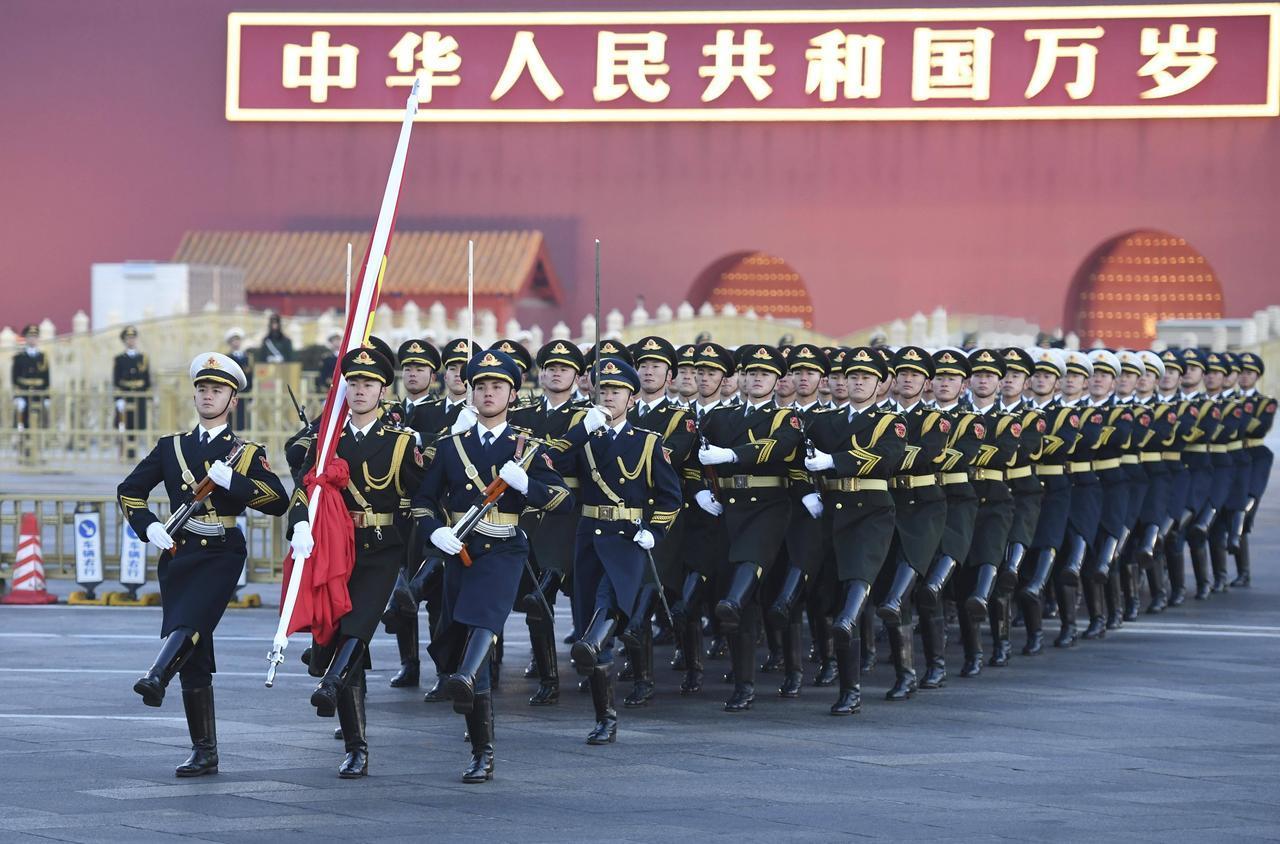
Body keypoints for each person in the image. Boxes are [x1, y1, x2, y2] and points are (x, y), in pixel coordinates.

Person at [118, 352, 287, 777]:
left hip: (221, 552)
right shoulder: (171, 446)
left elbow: (277, 501)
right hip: (180, 552)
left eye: (217, 390)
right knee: (194, 649)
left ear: (233, 400)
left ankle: (157, 674)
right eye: (202, 389)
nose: (208, 396)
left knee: (190, 621)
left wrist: (237, 483)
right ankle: (204, 750)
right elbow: (129, 490)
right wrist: (148, 525)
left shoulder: (245, 453)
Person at [412, 349, 574, 783]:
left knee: (483, 621)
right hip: (460, 551)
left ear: (512, 395)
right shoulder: (451, 447)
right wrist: (434, 531)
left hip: (505, 549)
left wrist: (528, 485)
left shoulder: (527, 448)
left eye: (497, 387)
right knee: (460, 635)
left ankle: (478, 735)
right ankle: (477, 730)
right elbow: (422, 501)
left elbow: (563, 500)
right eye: (480, 386)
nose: (488, 393)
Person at [287, 344, 426, 778]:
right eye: (354, 383)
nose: (360, 390)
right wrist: (299, 524)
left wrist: (417, 562)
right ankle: (356, 746)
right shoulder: (327, 440)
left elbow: (421, 499)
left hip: (381, 550)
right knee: (337, 636)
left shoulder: (401, 443)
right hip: (334, 549)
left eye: (369, 383)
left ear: (383, 391)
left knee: (357, 625)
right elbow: (303, 488)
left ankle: (331, 683)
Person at [554, 357, 681, 743]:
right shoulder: (583, 436)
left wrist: (655, 531)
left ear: (632, 398)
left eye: (617, 391)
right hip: (589, 536)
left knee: (611, 600)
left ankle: (592, 642)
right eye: (603, 390)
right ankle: (605, 718)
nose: (609, 397)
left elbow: (671, 497)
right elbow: (551, 462)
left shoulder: (647, 442)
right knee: (590, 617)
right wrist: (581, 430)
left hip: (627, 538)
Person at [697, 344, 807, 712]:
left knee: (763, 586)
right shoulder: (721, 417)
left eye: (766, 374)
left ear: (778, 380)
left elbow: (777, 447)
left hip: (770, 507)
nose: (758, 379)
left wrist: (731, 455)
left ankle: (793, 669)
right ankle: (743, 684)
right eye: (752, 373)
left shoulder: (786, 418)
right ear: (741, 378)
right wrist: (699, 489)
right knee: (738, 603)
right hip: (730, 508)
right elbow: (694, 455)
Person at [804, 346, 905, 715]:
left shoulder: (889, 421)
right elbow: (800, 459)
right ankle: (849, 688)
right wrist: (807, 492)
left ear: (880, 384)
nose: (859, 382)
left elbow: (886, 457)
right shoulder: (825, 421)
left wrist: (835, 460)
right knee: (831, 596)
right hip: (833, 512)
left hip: (871, 511)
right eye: (853, 377)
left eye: (866, 377)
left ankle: (851, 669)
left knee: (857, 582)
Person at [509, 340, 591, 706]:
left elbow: (574, 463)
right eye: (550, 368)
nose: (556, 373)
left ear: (577, 375)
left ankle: (589, 661)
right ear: (540, 374)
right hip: (531, 510)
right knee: (535, 599)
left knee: (574, 594)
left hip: (571, 511)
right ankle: (547, 674)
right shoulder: (524, 415)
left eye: (564, 368)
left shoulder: (588, 415)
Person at [619, 335, 696, 706]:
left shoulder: (681, 419)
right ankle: (643, 677)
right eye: (643, 365)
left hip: (666, 518)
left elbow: (670, 455)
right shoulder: (621, 414)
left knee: (660, 591)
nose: (648, 372)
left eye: (656, 366)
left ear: (670, 376)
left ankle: (693, 663)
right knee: (637, 591)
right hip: (627, 517)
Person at [114, 326, 151, 457]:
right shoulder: (119, 359)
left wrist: (148, 397)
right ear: (124, 340)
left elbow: (147, 380)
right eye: (128, 338)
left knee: (137, 424)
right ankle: (125, 451)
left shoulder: (143, 358)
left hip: (139, 396)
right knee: (124, 424)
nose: (131, 340)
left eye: (133, 338)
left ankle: (133, 450)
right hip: (125, 395)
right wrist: (118, 398)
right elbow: (116, 380)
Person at [11, 323, 49, 430]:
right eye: (30, 337)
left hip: (39, 393)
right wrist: (17, 397)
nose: (33, 339)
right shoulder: (19, 358)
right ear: (26, 338)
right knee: (22, 422)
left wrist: (47, 397)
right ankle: (22, 438)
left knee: (41, 423)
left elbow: (46, 379)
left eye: (35, 337)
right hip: (23, 393)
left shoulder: (43, 357)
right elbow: (14, 378)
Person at [224, 328, 254, 431]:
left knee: (245, 423)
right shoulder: (227, 358)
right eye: (233, 340)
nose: (236, 343)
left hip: (246, 394)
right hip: (234, 394)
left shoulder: (248, 357)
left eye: (237, 340)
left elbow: (251, 377)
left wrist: (251, 397)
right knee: (233, 423)